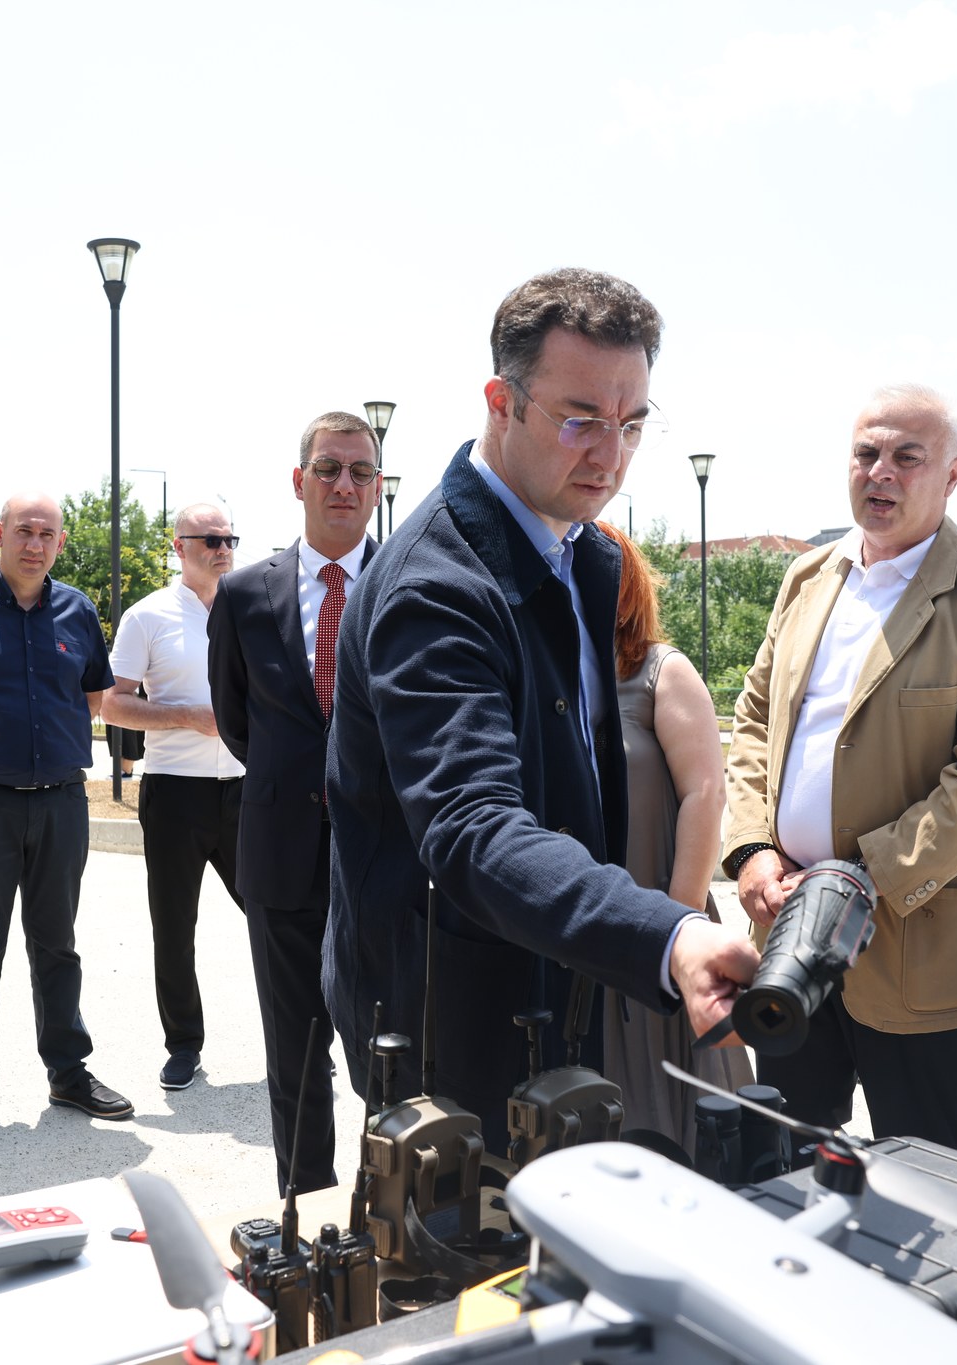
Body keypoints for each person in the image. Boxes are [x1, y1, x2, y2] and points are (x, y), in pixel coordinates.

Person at [325, 268, 758, 1135]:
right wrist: (667, 933)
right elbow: (475, 825)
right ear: (501, 402)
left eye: (631, 425)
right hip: (457, 1028)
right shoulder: (435, 587)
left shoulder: (583, 556)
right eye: (580, 419)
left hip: (559, 991)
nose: (610, 455)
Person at [721, 383, 957, 1154]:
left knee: (925, 1181)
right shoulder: (808, 579)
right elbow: (754, 721)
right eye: (867, 452)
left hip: (920, 954)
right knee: (782, 1165)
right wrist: (752, 850)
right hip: (788, 938)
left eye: (908, 457)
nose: (881, 472)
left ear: (952, 475)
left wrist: (853, 882)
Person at [208, 412, 380, 1194]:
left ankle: (398, 1210)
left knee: (395, 1052)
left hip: (387, 859)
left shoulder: (413, 584)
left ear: (377, 486)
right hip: (281, 859)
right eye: (328, 468)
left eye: (361, 471)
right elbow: (237, 719)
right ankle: (308, 1213)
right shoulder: (244, 594)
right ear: (298, 480)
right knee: (297, 1054)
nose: (344, 484)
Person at [0, 491, 128, 1146]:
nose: (35, 543)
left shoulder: (78, 610)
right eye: (24, 530)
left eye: (47, 534)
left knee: (57, 944)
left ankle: (68, 1072)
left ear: (61, 544)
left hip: (62, 802)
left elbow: (94, 698)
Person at [593, 521, 753, 1156]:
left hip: (660, 922)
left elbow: (706, 795)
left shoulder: (661, 670)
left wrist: (672, 928)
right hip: (586, 930)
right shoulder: (551, 675)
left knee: (680, 1132)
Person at [102, 502, 245, 1093]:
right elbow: (112, 703)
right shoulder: (147, 616)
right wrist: (186, 716)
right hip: (175, 794)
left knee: (279, 917)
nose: (223, 549)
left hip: (247, 791)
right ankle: (184, 1045)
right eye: (210, 539)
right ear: (179, 546)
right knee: (174, 928)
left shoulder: (254, 606)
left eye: (230, 538)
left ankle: (302, 1034)